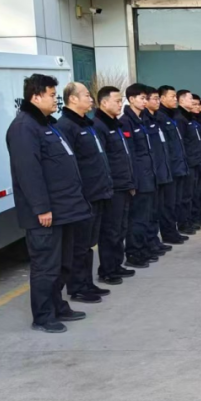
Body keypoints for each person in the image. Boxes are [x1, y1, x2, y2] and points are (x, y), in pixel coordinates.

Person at [6, 73, 91, 333]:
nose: (57, 100)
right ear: (36, 97)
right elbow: (28, 173)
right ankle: (43, 316)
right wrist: (41, 208)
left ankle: (58, 305)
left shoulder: (47, 124)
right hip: (46, 214)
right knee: (46, 266)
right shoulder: (24, 127)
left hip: (64, 209)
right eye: (52, 95)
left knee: (63, 263)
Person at [56, 81, 113, 304]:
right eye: (87, 95)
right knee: (79, 245)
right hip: (83, 195)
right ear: (73, 99)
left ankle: (87, 282)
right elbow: (68, 165)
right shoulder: (66, 126)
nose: (91, 99)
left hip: (97, 192)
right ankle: (77, 287)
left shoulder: (87, 124)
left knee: (89, 243)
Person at [91, 85, 136, 286]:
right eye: (117, 101)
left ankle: (116, 264)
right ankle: (107, 270)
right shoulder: (99, 126)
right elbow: (102, 161)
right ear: (104, 102)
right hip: (112, 188)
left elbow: (124, 157)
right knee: (110, 230)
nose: (120, 104)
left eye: (121, 101)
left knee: (120, 228)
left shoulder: (115, 124)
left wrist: (130, 182)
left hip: (123, 184)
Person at [120, 83, 159, 268]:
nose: (145, 102)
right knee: (137, 219)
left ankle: (143, 248)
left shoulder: (142, 120)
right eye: (142, 98)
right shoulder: (125, 122)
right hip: (139, 179)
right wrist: (133, 181)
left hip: (148, 176)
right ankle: (134, 253)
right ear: (131, 99)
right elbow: (130, 155)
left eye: (146, 98)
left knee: (146, 217)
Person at [141, 84, 175, 254]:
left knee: (161, 208)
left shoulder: (158, 119)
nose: (157, 102)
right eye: (154, 99)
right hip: (152, 174)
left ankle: (155, 241)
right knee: (150, 212)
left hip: (163, 170)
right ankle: (148, 243)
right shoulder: (143, 121)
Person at [156, 85, 190, 244]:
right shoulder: (160, 118)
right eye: (172, 96)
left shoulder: (173, 117)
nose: (175, 99)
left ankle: (173, 230)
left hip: (178, 166)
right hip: (169, 168)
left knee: (176, 201)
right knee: (168, 204)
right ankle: (168, 233)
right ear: (162, 98)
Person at [172, 89, 201, 231]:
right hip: (187, 163)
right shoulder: (180, 119)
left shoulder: (189, 118)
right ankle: (183, 223)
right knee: (185, 195)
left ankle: (190, 219)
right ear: (181, 100)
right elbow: (181, 143)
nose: (193, 101)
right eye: (190, 99)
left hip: (195, 161)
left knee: (192, 193)